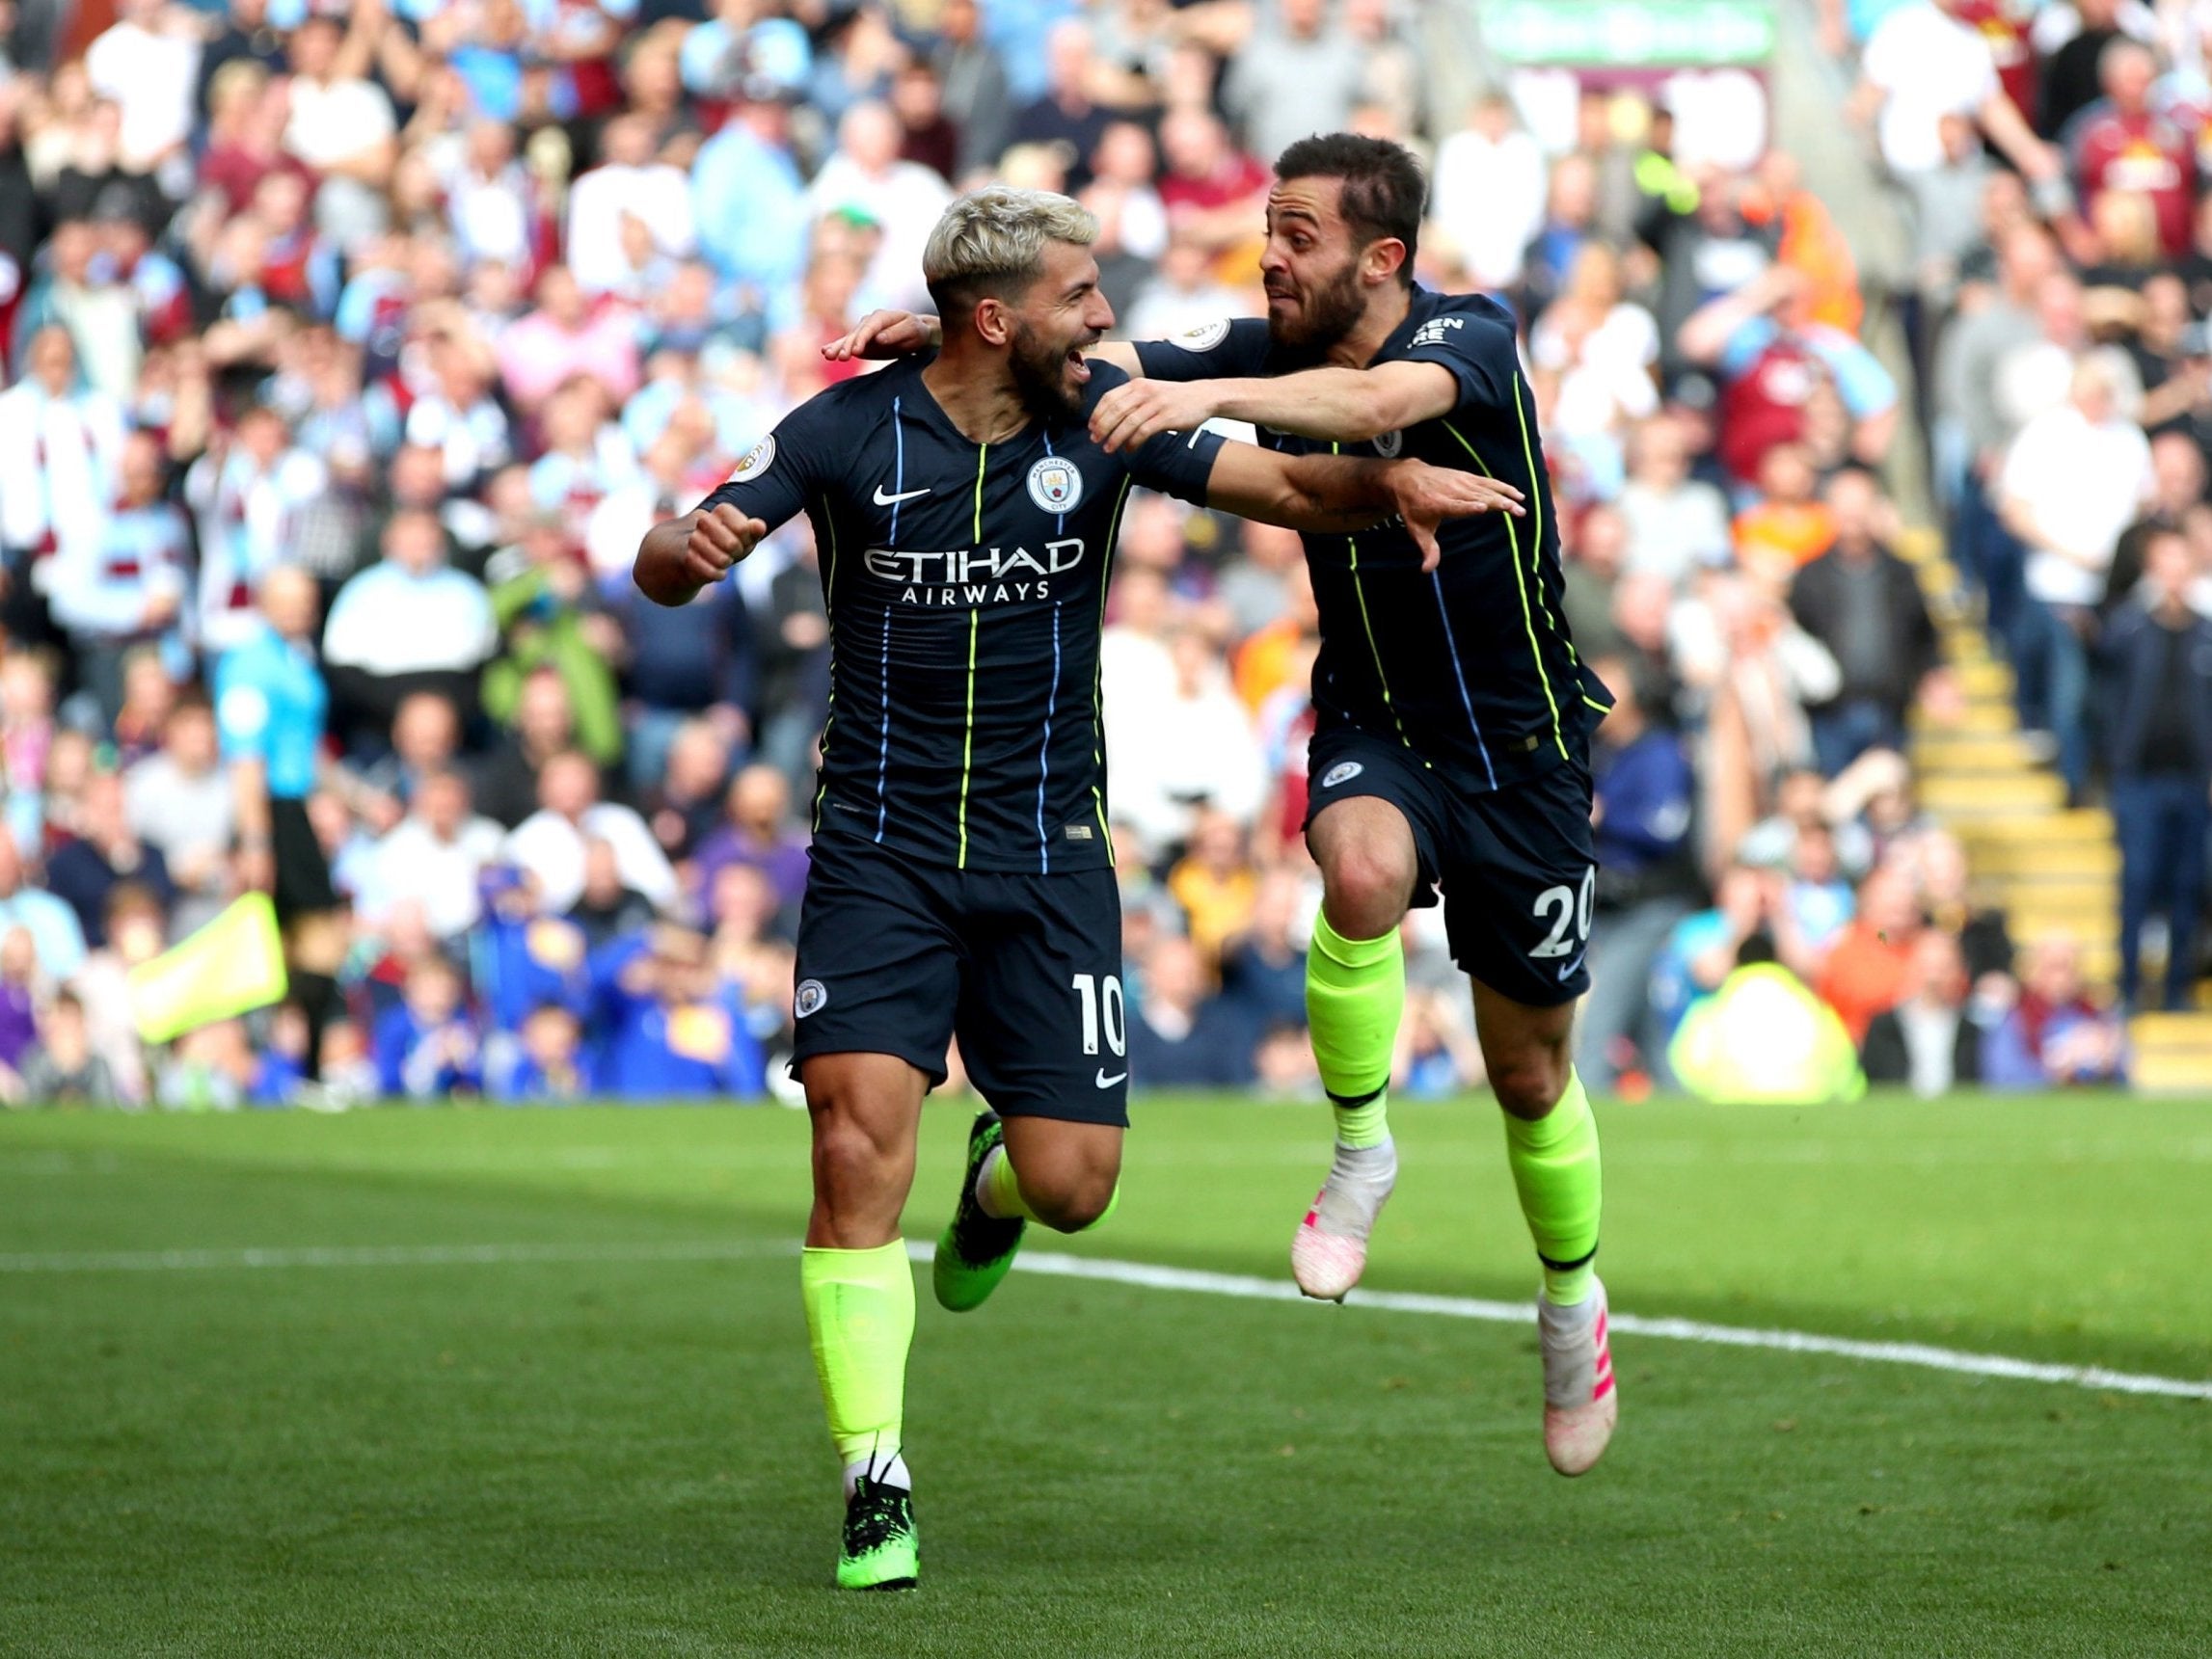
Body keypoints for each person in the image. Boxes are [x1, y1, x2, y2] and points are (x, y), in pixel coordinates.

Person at [635, 185, 1519, 1592]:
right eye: (1079, 296)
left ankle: (996, 1177)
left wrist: (1390, 483)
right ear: (995, 318)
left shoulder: (1102, 420)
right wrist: (675, 557)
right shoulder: (839, 432)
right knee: (857, 1148)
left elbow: (1281, 484)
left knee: (1075, 1185)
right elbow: (678, 546)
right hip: (879, 852)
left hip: (1051, 859)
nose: (1105, 317)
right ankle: (876, 1474)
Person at [829, 136, 1620, 1479]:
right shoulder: (1252, 333)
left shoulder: (1468, 337)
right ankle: (1359, 1155)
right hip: (1380, 723)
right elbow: (1113, 361)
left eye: (1297, 234)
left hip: (1527, 751)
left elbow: (1367, 400)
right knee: (1358, 874)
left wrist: (1209, 396)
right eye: (1268, 227)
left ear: (1380, 255)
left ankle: (1570, 1305)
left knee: (1530, 1072)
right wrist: (984, 341)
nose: (1270, 254)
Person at [213, 565, 345, 1084]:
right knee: (308, 938)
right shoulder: (249, 666)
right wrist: (256, 840)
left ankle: (298, 1068)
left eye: (306, 599)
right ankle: (289, 1069)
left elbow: (308, 752)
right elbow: (246, 759)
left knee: (304, 943)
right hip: (271, 813)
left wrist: (357, 798)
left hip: (293, 809)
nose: (300, 610)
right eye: (288, 600)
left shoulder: (295, 660)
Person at [2098, 527, 2212, 1009]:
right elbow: (2104, 698)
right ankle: (2127, 985)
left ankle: (2176, 988)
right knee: (2139, 879)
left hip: (2192, 782)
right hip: (2139, 780)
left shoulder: (2205, 633)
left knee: (2187, 884)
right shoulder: (2128, 629)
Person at [1862, 928, 1981, 1096]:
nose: (1934, 978)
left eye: (1943, 968)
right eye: (1927, 967)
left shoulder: (1970, 1031)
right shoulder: (1884, 1028)